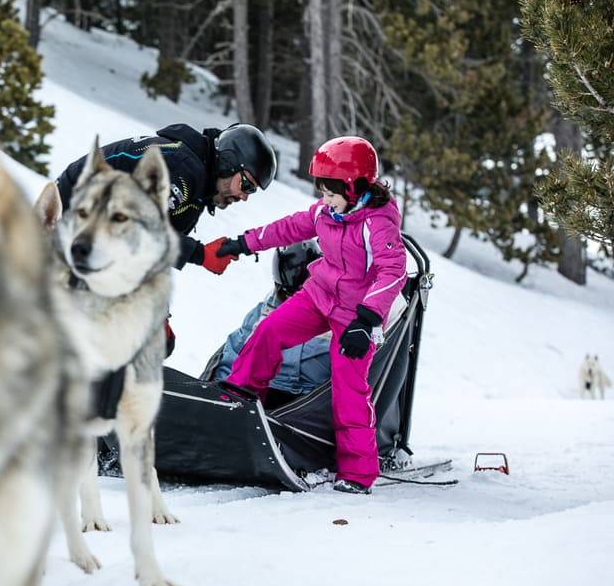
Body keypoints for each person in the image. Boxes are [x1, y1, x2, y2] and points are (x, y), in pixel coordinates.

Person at [211, 136, 407, 495]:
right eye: (321, 192)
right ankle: (237, 403)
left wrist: (365, 321)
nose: (324, 200)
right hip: (319, 295)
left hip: (354, 313)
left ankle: (358, 474)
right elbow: (286, 229)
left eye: (330, 192)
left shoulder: (377, 221)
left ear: (355, 186)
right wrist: (243, 243)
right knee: (268, 331)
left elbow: (392, 270)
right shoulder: (326, 212)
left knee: (349, 388)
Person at [55, 123, 277, 272]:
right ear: (228, 162)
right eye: (246, 185)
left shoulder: (198, 180)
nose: (244, 196)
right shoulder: (182, 170)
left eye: (252, 191)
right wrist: (201, 254)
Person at [211, 240, 331, 407]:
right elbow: (234, 351)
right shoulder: (265, 310)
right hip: (256, 393)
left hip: (303, 403)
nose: (290, 299)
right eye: (284, 292)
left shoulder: (334, 313)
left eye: (298, 292)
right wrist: (220, 391)